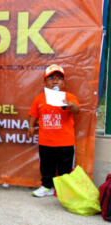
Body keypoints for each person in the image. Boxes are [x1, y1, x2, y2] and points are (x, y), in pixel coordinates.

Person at [27, 64, 80, 197]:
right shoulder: (39, 98)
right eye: (51, 78)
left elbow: (76, 110)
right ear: (45, 82)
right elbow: (33, 114)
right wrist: (31, 126)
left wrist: (70, 104)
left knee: (65, 169)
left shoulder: (69, 97)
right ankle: (46, 186)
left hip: (65, 143)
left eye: (59, 78)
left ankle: (63, 191)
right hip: (46, 142)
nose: (55, 81)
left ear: (64, 82)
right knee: (46, 167)